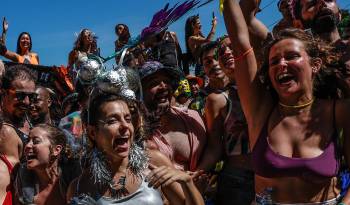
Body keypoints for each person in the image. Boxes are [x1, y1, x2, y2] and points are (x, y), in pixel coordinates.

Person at [223, 0, 350, 204]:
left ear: (315, 65)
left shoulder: (338, 111)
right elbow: (240, 47)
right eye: (274, 61)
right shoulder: (260, 111)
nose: (281, 64)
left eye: (291, 56)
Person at [67, 69, 204, 204]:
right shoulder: (79, 187)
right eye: (112, 120)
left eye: (127, 119)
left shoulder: (154, 162)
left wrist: (187, 182)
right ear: (92, 132)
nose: (125, 126)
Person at [197, 36, 254, 205]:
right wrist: (196, 173)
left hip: (272, 173)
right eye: (208, 62)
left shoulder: (263, 84)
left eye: (217, 57)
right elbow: (215, 147)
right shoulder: (215, 100)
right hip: (238, 180)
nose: (215, 63)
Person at [140, 61, 207, 171]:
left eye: (167, 81)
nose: (163, 86)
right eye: (154, 83)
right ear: (141, 92)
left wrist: (199, 173)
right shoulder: (138, 132)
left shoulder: (193, 118)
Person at [14, 124, 70, 204]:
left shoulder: (71, 180)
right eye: (27, 141)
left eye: (36, 141)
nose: (27, 145)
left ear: (56, 150)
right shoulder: (23, 177)